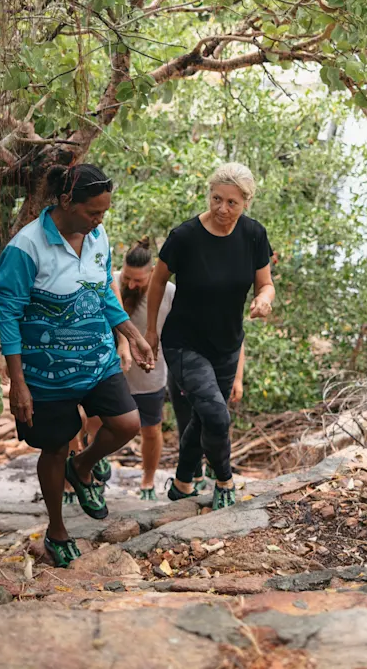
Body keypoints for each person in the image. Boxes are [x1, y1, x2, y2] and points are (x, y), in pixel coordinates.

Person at [0, 163, 155, 566]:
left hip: (97, 359)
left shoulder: (98, 237)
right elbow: (9, 315)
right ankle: (57, 529)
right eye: (93, 212)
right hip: (44, 371)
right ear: (66, 201)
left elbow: (102, 292)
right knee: (54, 446)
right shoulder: (25, 247)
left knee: (128, 424)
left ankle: (81, 467)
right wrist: (18, 382)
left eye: (103, 213)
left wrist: (132, 337)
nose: (99, 220)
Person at [146, 163, 273, 511]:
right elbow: (157, 281)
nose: (222, 208)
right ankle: (224, 480)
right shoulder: (185, 236)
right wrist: (151, 332)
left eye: (232, 202)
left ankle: (183, 483)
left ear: (246, 202)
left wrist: (264, 300)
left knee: (203, 416)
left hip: (227, 346)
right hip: (184, 343)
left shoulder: (253, 235)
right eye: (216, 198)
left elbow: (265, 283)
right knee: (217, 416)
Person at [115, 238, 174, 499]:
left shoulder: (168, 292)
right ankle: (91, 472)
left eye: (138, 280)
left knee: (151, 430)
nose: (131, 285)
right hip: (113, 372)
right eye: (128, 277)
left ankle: (148, 482)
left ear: (151, 273)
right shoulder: (112, 282)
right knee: (94, 422)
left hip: (151, 375)